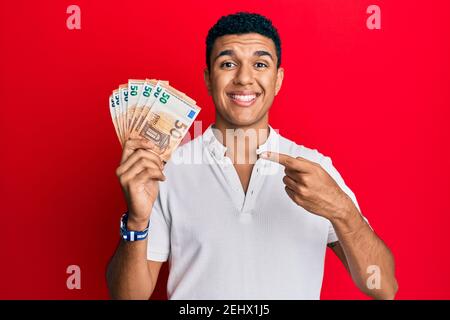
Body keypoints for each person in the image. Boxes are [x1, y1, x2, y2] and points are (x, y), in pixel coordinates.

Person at [106, 12, 398, 300]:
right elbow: (128, 297)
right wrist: (136, 220)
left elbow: (384, 287)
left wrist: (342, 210)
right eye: (228, 63)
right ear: (208, 78)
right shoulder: (167, 169)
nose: (244, 78)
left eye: (260, 64)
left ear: (278, 79)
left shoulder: (317, 169)